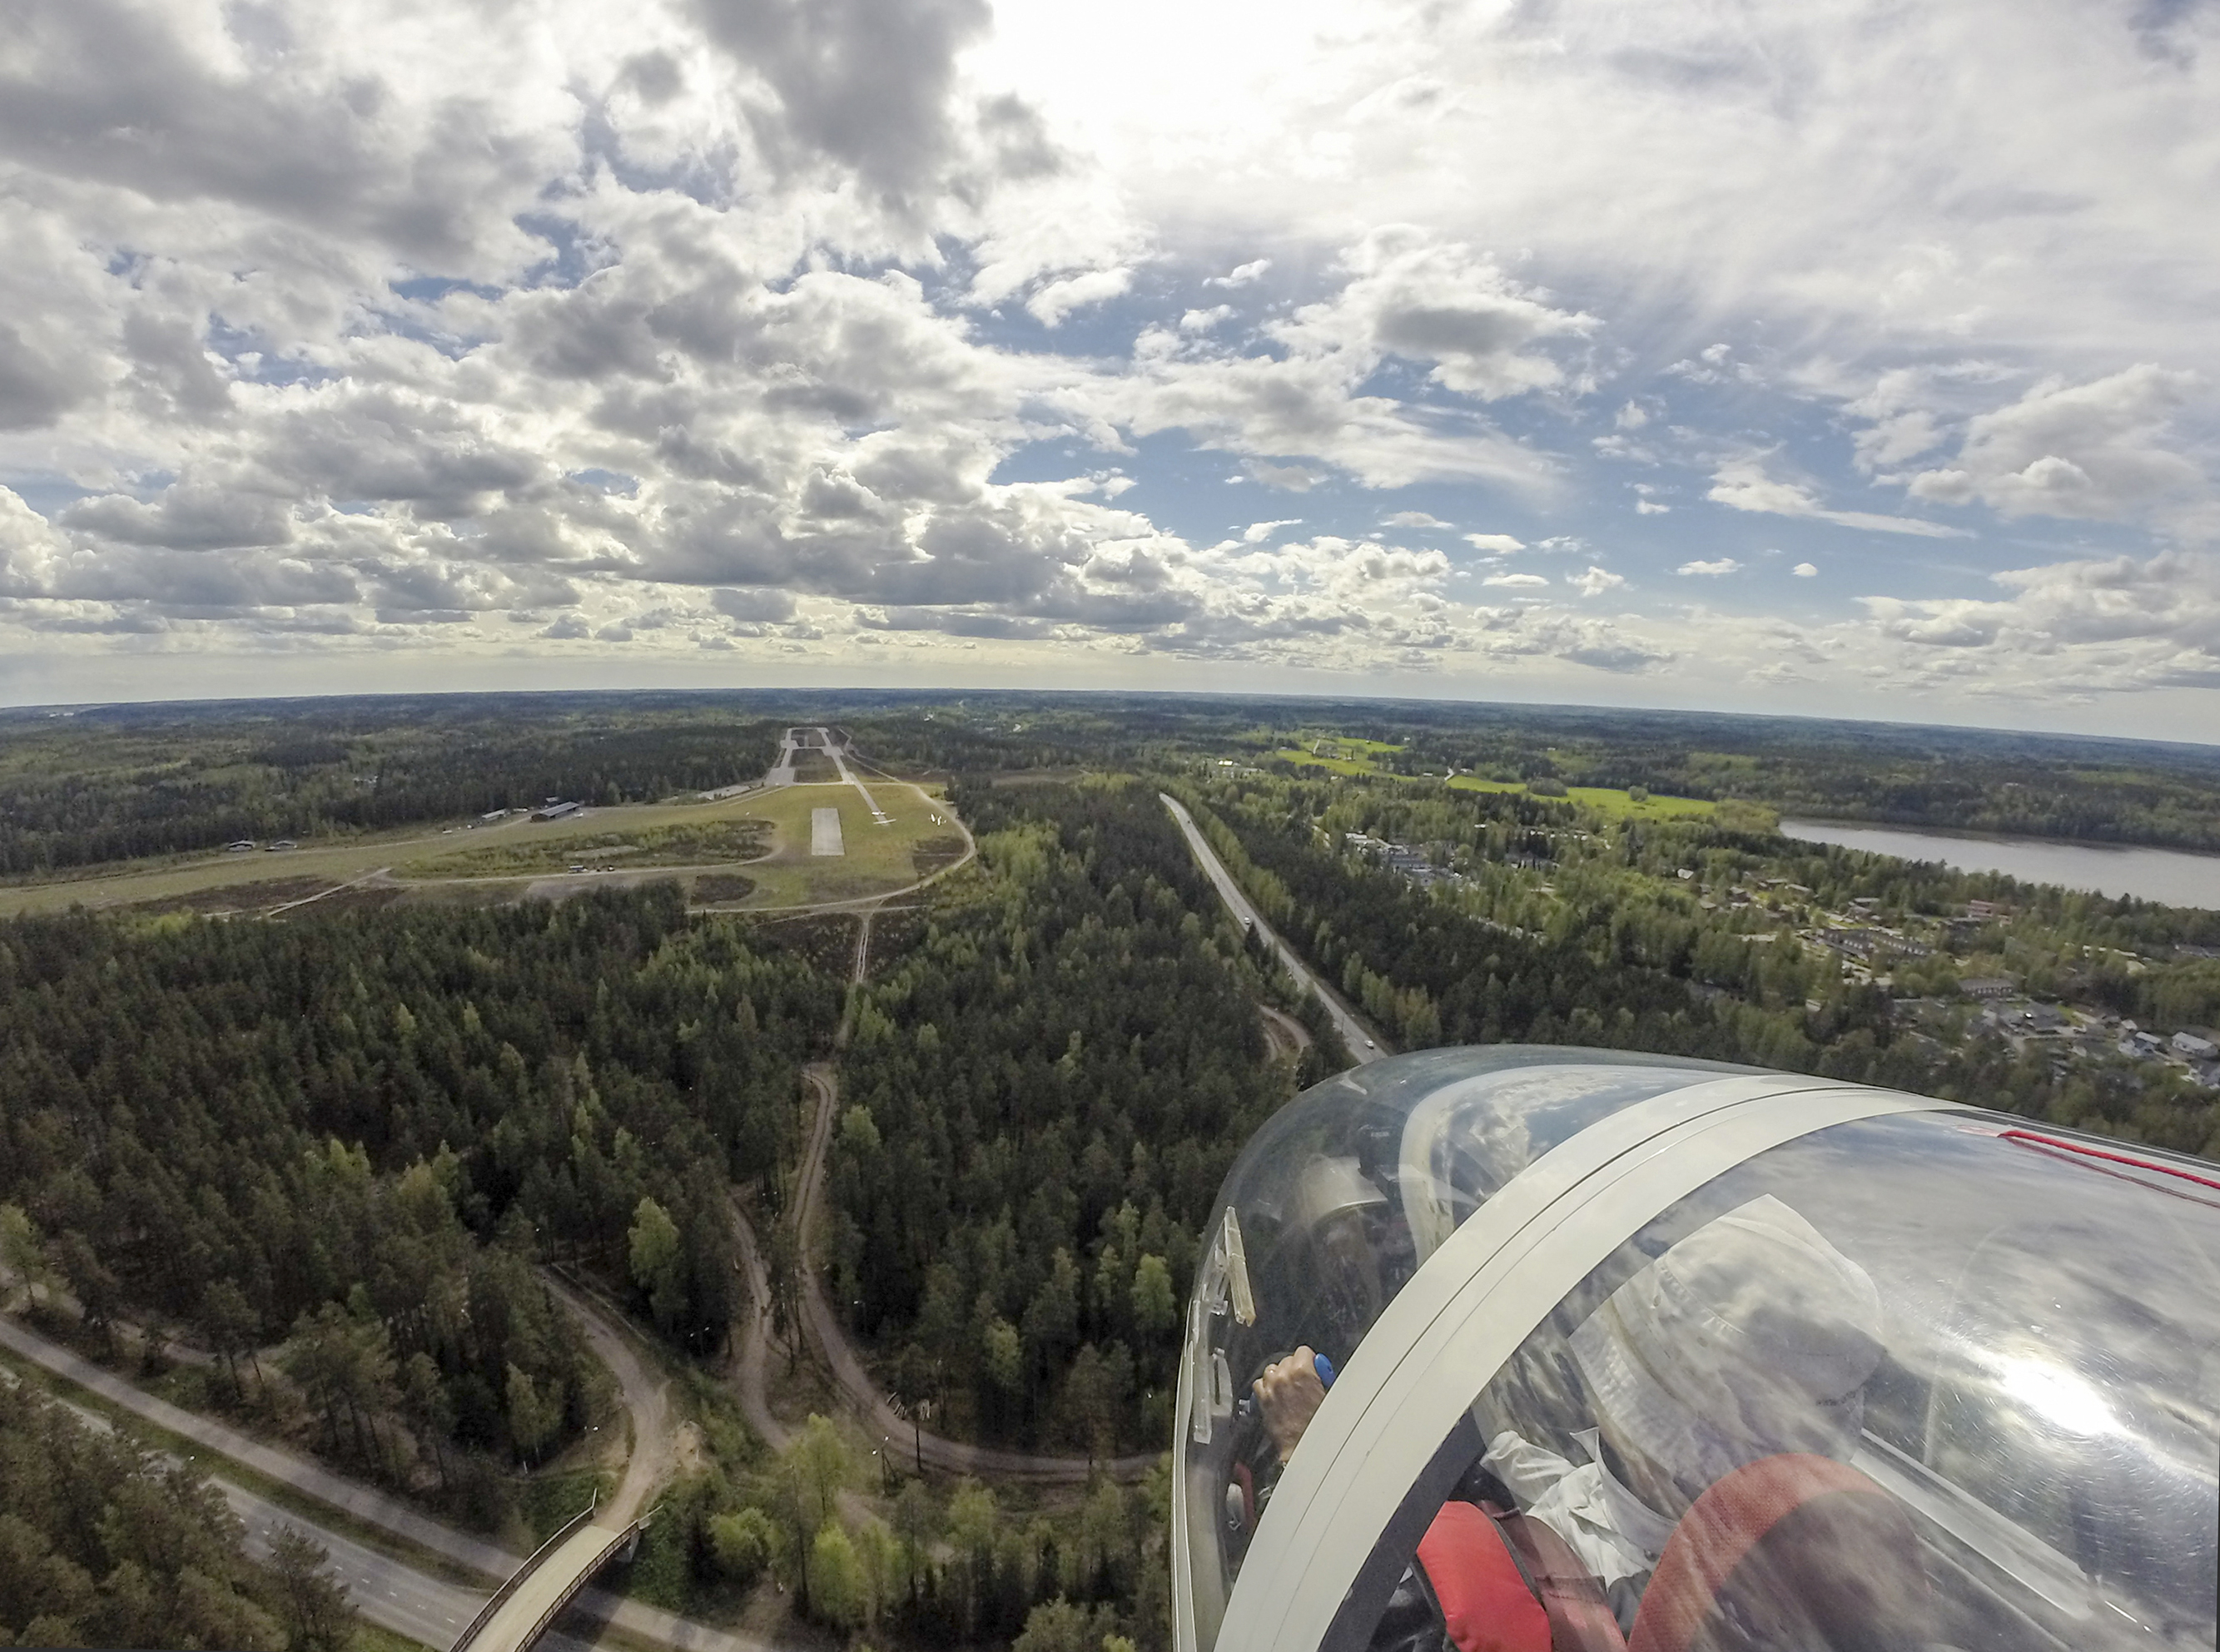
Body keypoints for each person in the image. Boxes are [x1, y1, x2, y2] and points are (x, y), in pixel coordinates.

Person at [1254, 1194, 1921, 1651]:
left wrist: (1305, 1457)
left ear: (1659, 1446)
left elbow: (1334, 1622)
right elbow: (1571, 1494)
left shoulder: (1589, 1598)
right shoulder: (1813, 1580)